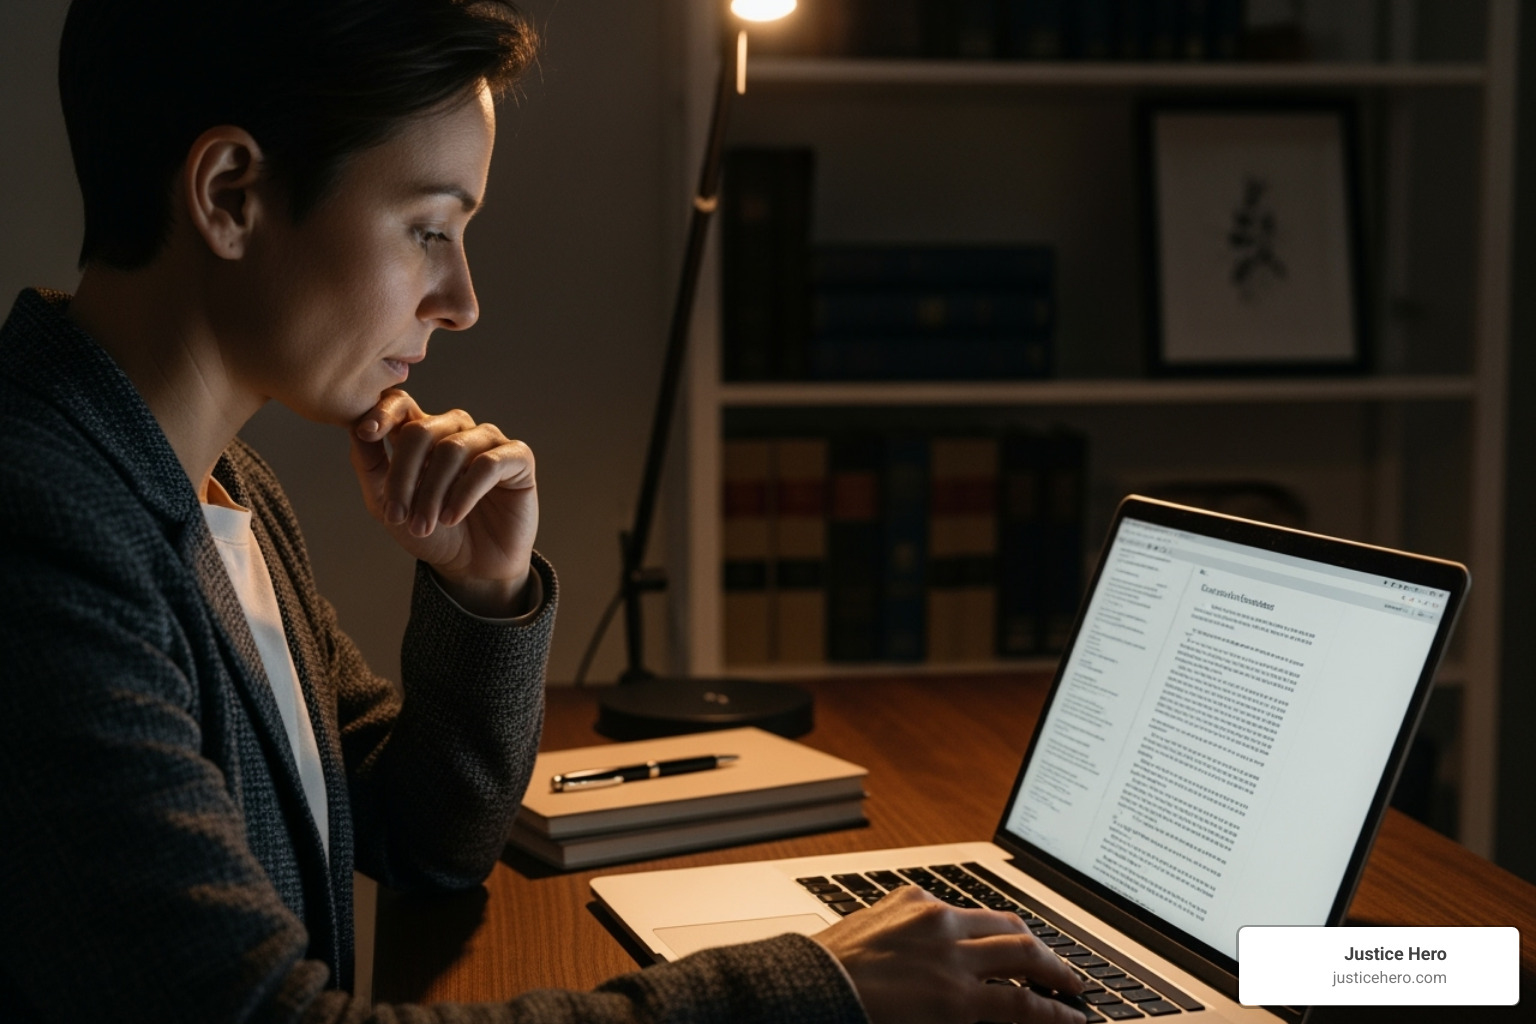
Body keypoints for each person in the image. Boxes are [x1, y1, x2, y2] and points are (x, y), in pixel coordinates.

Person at [0, 2, 1086, 1022]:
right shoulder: (44, 530)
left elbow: (427, 834)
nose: (462, 299)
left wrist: (486, 588)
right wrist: (812, 990)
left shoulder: (218, 484)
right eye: (431, 228)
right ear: (232, 194)